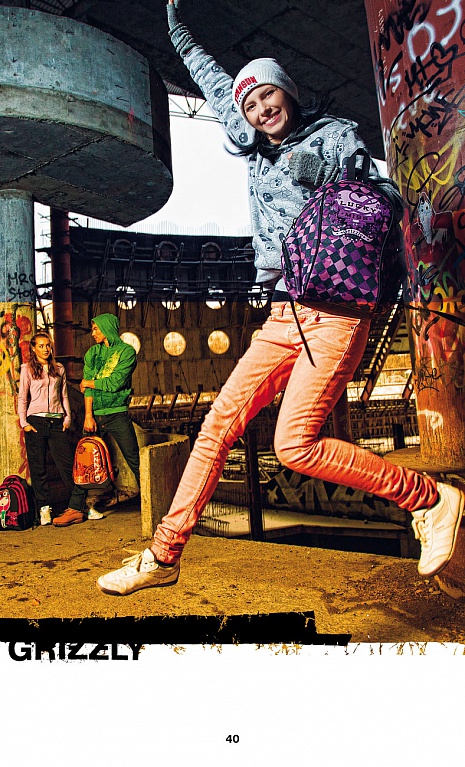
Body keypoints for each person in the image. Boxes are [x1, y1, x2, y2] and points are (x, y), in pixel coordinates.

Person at [96, 0, 465, 595]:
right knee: (217, 425)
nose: (261, 108)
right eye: (250, 104)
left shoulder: (334, 136)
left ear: (287, 93)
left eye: (268, 94)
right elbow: (215, 84)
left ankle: (430, 499)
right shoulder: (252, 147)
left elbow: (372, 191)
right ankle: (163, 556)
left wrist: (323, 173)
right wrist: (178, 32)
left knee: (294, 445)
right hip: (282, 313)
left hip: (335, 314)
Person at [54, 313, 140, 526]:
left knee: (135, 460)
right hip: (95, 415)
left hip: (117, 413)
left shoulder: (127, 352)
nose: (92, 333)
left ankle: (159, 504)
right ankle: (75, 509)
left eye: (96, 329)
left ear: (107, 328)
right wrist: (88, 416)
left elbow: (115, 383)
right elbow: (88, 389)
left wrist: (89, 383)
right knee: (83, 462)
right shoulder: (92, 353)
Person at [18, 331, 86, 525]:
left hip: (57, 422)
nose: (45, 349)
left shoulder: (59, 368)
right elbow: (23, 397)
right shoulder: (27, 369)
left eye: (47, 345)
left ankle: (78, 505)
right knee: (38, 467)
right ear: (33, 348)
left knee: (68, 466)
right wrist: (24, 423)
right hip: (36, 422)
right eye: (41, 346)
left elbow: (64, 395)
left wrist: (67, 418)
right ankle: (44, 509)